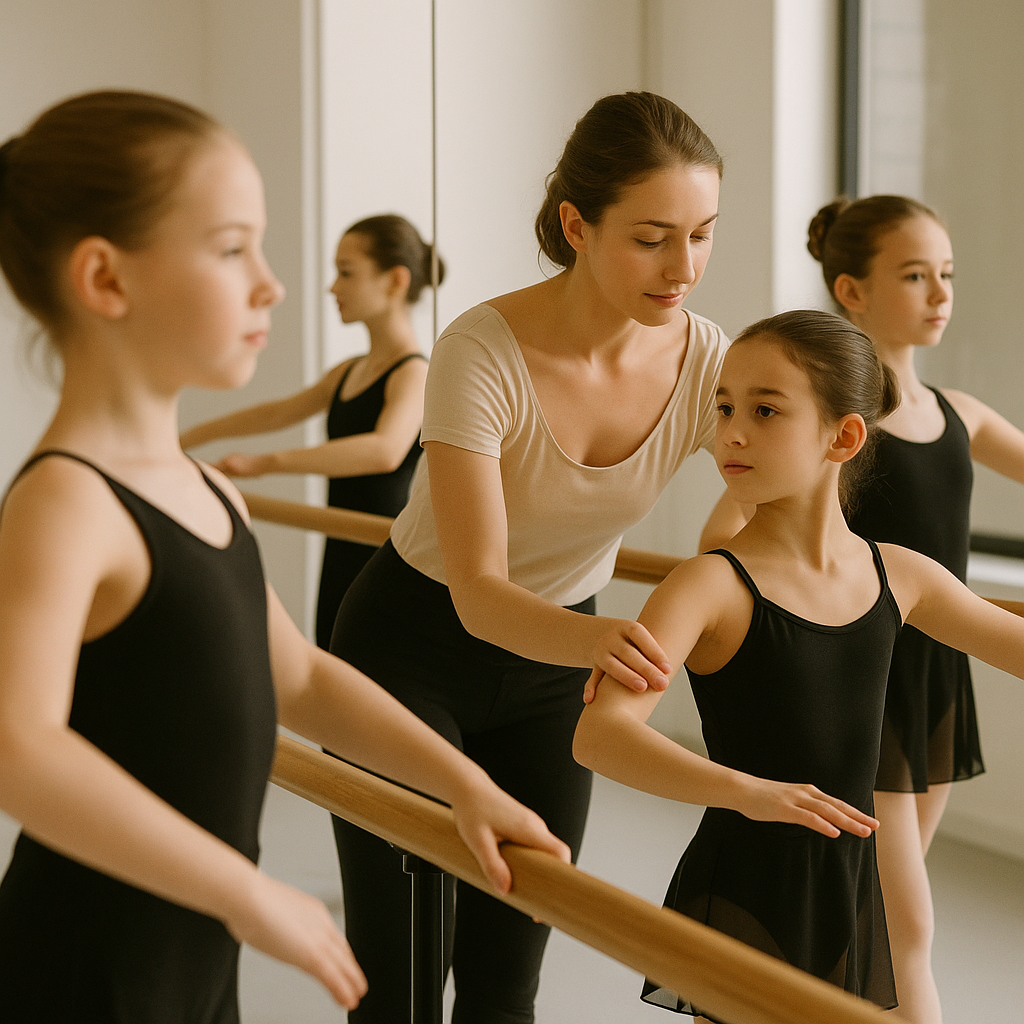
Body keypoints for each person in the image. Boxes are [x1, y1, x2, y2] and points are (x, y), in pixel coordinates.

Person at [0, 89, 568, 1024]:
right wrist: (246, 891)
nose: (272, 284)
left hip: (193, 959)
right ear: (106, 280)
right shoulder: (68, 498)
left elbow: (298, 674)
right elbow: (21, 747)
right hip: (87, 967)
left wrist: (465, 784)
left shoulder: (207, 491)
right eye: (232, 250)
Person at [327, 90, 729, 1023]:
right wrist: (621, 642)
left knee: (510, 970)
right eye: (653, 237)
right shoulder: (480, 348)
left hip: (558, 671)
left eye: (703, 235)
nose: (683, 269)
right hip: (411, 647)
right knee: (398, 975)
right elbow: (480, 593)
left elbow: (756, 511)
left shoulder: (707, 357)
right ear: (576, 225)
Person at [574, 309, 1024, 1021]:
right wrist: (746, 791)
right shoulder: (708, 586)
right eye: (723, 408)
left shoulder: (901, 576)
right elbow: (599, 736)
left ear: (842, 436)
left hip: (853, 885)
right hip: (751, 889)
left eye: (765, 410)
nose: (731, 433)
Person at [702, 196, 1024, 1024]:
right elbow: (727, 535)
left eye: (946, 274)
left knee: (887, 905)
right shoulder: (832, 422)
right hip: (862, 683)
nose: (939, 292)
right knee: (904, 920)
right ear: (851, 288)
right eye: (915, 275)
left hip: (937, 677)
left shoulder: (960, 415)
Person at [180, 212, 438, 650]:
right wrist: (186, 437)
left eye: (346, 273)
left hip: (382, 552)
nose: (332, 287)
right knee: (332, 651)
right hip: (340, 546)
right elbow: (276, 414)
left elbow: (384, 451)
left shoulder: (414, 373)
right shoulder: (349, 372)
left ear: (395, 281)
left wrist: (265, 463)